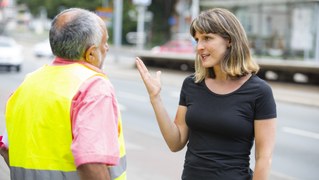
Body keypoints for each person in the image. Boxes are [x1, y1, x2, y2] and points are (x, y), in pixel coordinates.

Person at [136, 8, 276, 180]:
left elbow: (264, 158)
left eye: (207, 38)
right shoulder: (191, 84)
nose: (199, 47)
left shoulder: (259, 92)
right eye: (197, 39)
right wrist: (155, 98)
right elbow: (175, 142)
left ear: (230, 40)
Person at [0, 8, 126, 180]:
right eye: (105, 43)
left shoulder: (27, 84)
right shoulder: (93, 86)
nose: (107, 48)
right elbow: (91, 163)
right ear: (90, 53)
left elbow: (6, 149)